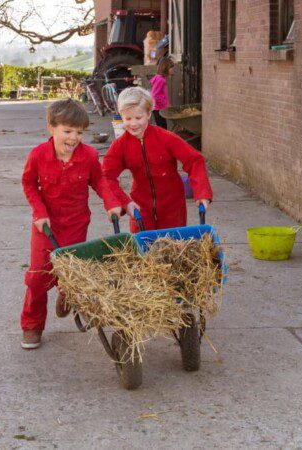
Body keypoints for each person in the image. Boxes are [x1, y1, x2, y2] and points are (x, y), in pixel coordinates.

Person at [20, 99, 122, 349]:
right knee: (37, 277)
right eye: (67, 131)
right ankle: (32, 325)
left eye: (79, 132)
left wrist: (111, 203)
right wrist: (39, 212)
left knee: (72, 269)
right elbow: (29, 184)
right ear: (51, 128)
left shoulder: (87, 156)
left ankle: (66, 294)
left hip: (76, 223)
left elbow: (99, 181)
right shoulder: (38, 156)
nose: (73, 138)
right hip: (46, 225)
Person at [102, 87, 213, 233]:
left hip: (172, 205)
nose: (133, 124)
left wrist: (202, 193)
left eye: (138, 117)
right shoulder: (120, 145)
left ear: (148, 114)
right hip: (140, 207)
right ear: (121, 117)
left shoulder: (166, 138)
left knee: (173, 246)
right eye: (128, 119)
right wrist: (124, 202)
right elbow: (105, 176)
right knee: (143, 246)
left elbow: (194, 160)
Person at [150, 57, 174, 129]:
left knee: (163, 128)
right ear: (165, 68)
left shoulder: (162, 78)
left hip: (160, 108)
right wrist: (165, 104)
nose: (172, 70)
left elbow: (162, 94)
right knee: (162, 128)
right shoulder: (160, 80)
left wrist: (167, 104)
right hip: (158, 109)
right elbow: (154, 95)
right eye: (171, 68)